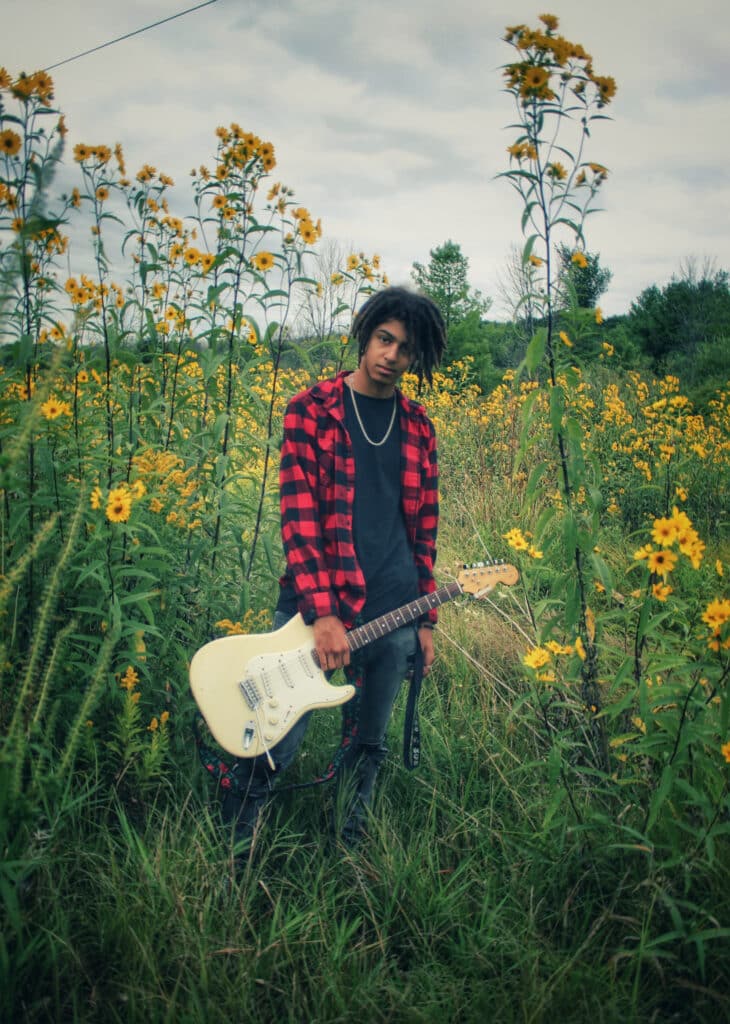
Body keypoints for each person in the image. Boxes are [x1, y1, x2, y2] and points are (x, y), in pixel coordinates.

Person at [220, 285, 446, 849]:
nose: (392, 355)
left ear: (417, 357)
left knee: (367, 745)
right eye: (384, 339)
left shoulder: (419, 425)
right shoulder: (312, 410)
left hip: (394, 611)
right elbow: (299, 523)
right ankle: (234, 858)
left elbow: (425, 534)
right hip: (316, 610)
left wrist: (425, 621)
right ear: (365, 336)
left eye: (405, 348)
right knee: (271, 739)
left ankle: (350, 849)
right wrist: (322, 616)